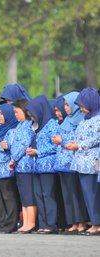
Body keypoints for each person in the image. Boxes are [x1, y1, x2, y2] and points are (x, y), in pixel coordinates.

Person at [52, 92, 88, 234]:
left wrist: (62, 141)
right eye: (65, 105)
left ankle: (81, 222)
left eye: (68, 104)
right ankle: (72, 222)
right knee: (67, 194)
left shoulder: (81, 120)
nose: (66, 108)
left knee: (76, 194)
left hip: (73, 163)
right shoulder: (67, 120)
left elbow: (76, 141)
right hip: (62, 162)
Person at [66, 88, 100, 236]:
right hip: (82, 164)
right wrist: (74, 143)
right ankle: (93, 222)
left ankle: (97, 223)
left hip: (92, 162)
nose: (81, 108)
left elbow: (96, 139)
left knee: (93, 195)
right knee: (87, 194)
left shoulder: (98, 119)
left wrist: (79, 145)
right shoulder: (84, 120)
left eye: (83, 104)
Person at [26, 95, 59, 234]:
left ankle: (51, 224)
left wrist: (38, 151)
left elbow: (55, 147)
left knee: (47, 194)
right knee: (38, 194)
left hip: (47, 166)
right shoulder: (36, 126)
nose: (32, 118)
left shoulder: (52, 124)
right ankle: (43, 223)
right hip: (36, 166)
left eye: (32, 115)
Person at [0, 104, 20, 233]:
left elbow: (9, 146)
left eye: (2, 114)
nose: (0, 117)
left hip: (5, 169)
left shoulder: (12, 129)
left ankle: (11, 224)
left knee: (8, 197)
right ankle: (2, 223)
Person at [8, 99, 36, 233]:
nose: (16, 115)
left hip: (25, 164)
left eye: (17, 112)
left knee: (28, 194)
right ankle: (25, 221)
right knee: (23, 195)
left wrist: (13, 159)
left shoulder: (29, 126)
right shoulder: (20, 125)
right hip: (18, 165)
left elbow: (23, 144)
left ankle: (30, 222)